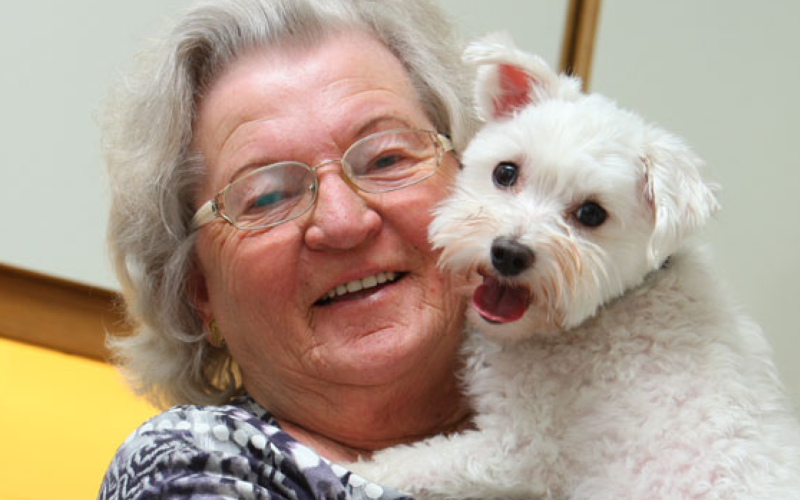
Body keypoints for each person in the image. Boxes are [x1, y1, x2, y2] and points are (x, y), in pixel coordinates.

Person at [98, 0, 478, 498]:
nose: (344, 223)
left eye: (387, 158)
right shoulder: (197, 466)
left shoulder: (597, 399)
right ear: (198, 288)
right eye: (269, 197)